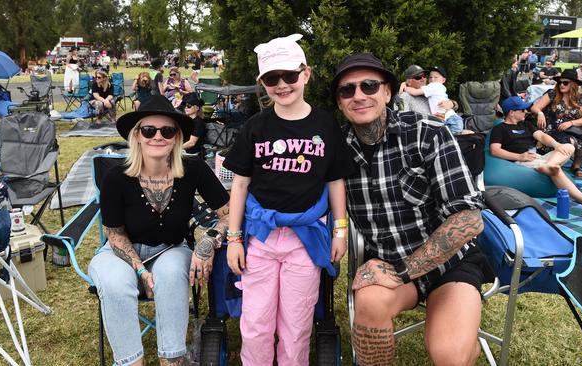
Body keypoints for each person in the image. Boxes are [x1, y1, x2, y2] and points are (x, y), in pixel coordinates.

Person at [332, 53, 486, 366]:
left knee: (450, 356)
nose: (358, 95)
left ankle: (465, 341)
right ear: (339, 102)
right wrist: (227, 227)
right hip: (389, 264)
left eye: (369, 86)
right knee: (369, 301)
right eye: (347, 90)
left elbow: (468, 220)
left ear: (388, 92)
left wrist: (403, 270)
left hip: (449, 265)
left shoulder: (428, 133)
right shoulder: (337, 151)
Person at [223, 34, 351, 366]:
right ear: (262, 83)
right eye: (271, 78)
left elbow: (335, 180)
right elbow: (239, 186)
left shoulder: (326, 124)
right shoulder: (255, 127)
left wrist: (340, 230)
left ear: (305, 74)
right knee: (255, 325)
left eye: (289, 76)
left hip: (305, 239)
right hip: (260, 238)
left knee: (296, 326)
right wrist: (234, 238)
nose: (282, 85)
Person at [88, 95, 230, 366]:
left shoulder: (194, 169)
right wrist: (140, 270)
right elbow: (114, 233)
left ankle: (172, 360)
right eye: (148, 130)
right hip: (121, 251)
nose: (158, 137)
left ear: (177, 137)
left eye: (167, 130)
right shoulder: (116, 177)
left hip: (171, 249)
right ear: (137, 136)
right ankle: (131, 362)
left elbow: (230, 213)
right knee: (115, 282)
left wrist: (208, 242)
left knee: (172, 272)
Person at [490, 96, 582, 215]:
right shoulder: (500, 129)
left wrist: (557, 145)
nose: (525, 111)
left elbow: (542, 136)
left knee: (568, 147)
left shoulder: (526, 125)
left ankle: (549, 165)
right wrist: (520, 157)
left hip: (538, 158)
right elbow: (494, 150)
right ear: (511, 112)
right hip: (521, 162)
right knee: (556, 171)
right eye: (522, 110)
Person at [531, 69, 582, 177]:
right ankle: (553, 165)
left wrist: (571, 123)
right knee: (569, 140)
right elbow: (535, 107)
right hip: (554, 128)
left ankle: (576, 166)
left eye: (565, 83)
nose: (561, 85)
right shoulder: (552, 94)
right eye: (560, 82)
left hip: (575, 128)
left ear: (573, 84)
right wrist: (540, 113)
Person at [401, 66, 464, 134]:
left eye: (424, 76)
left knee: (471, 135)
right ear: (409, 82)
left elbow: (453, 105)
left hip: (446, 123)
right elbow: (402, 123)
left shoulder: (429, 91)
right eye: (418, 77)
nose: (423, 79)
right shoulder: (404, 97)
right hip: (428, 134)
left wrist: (452, 104)